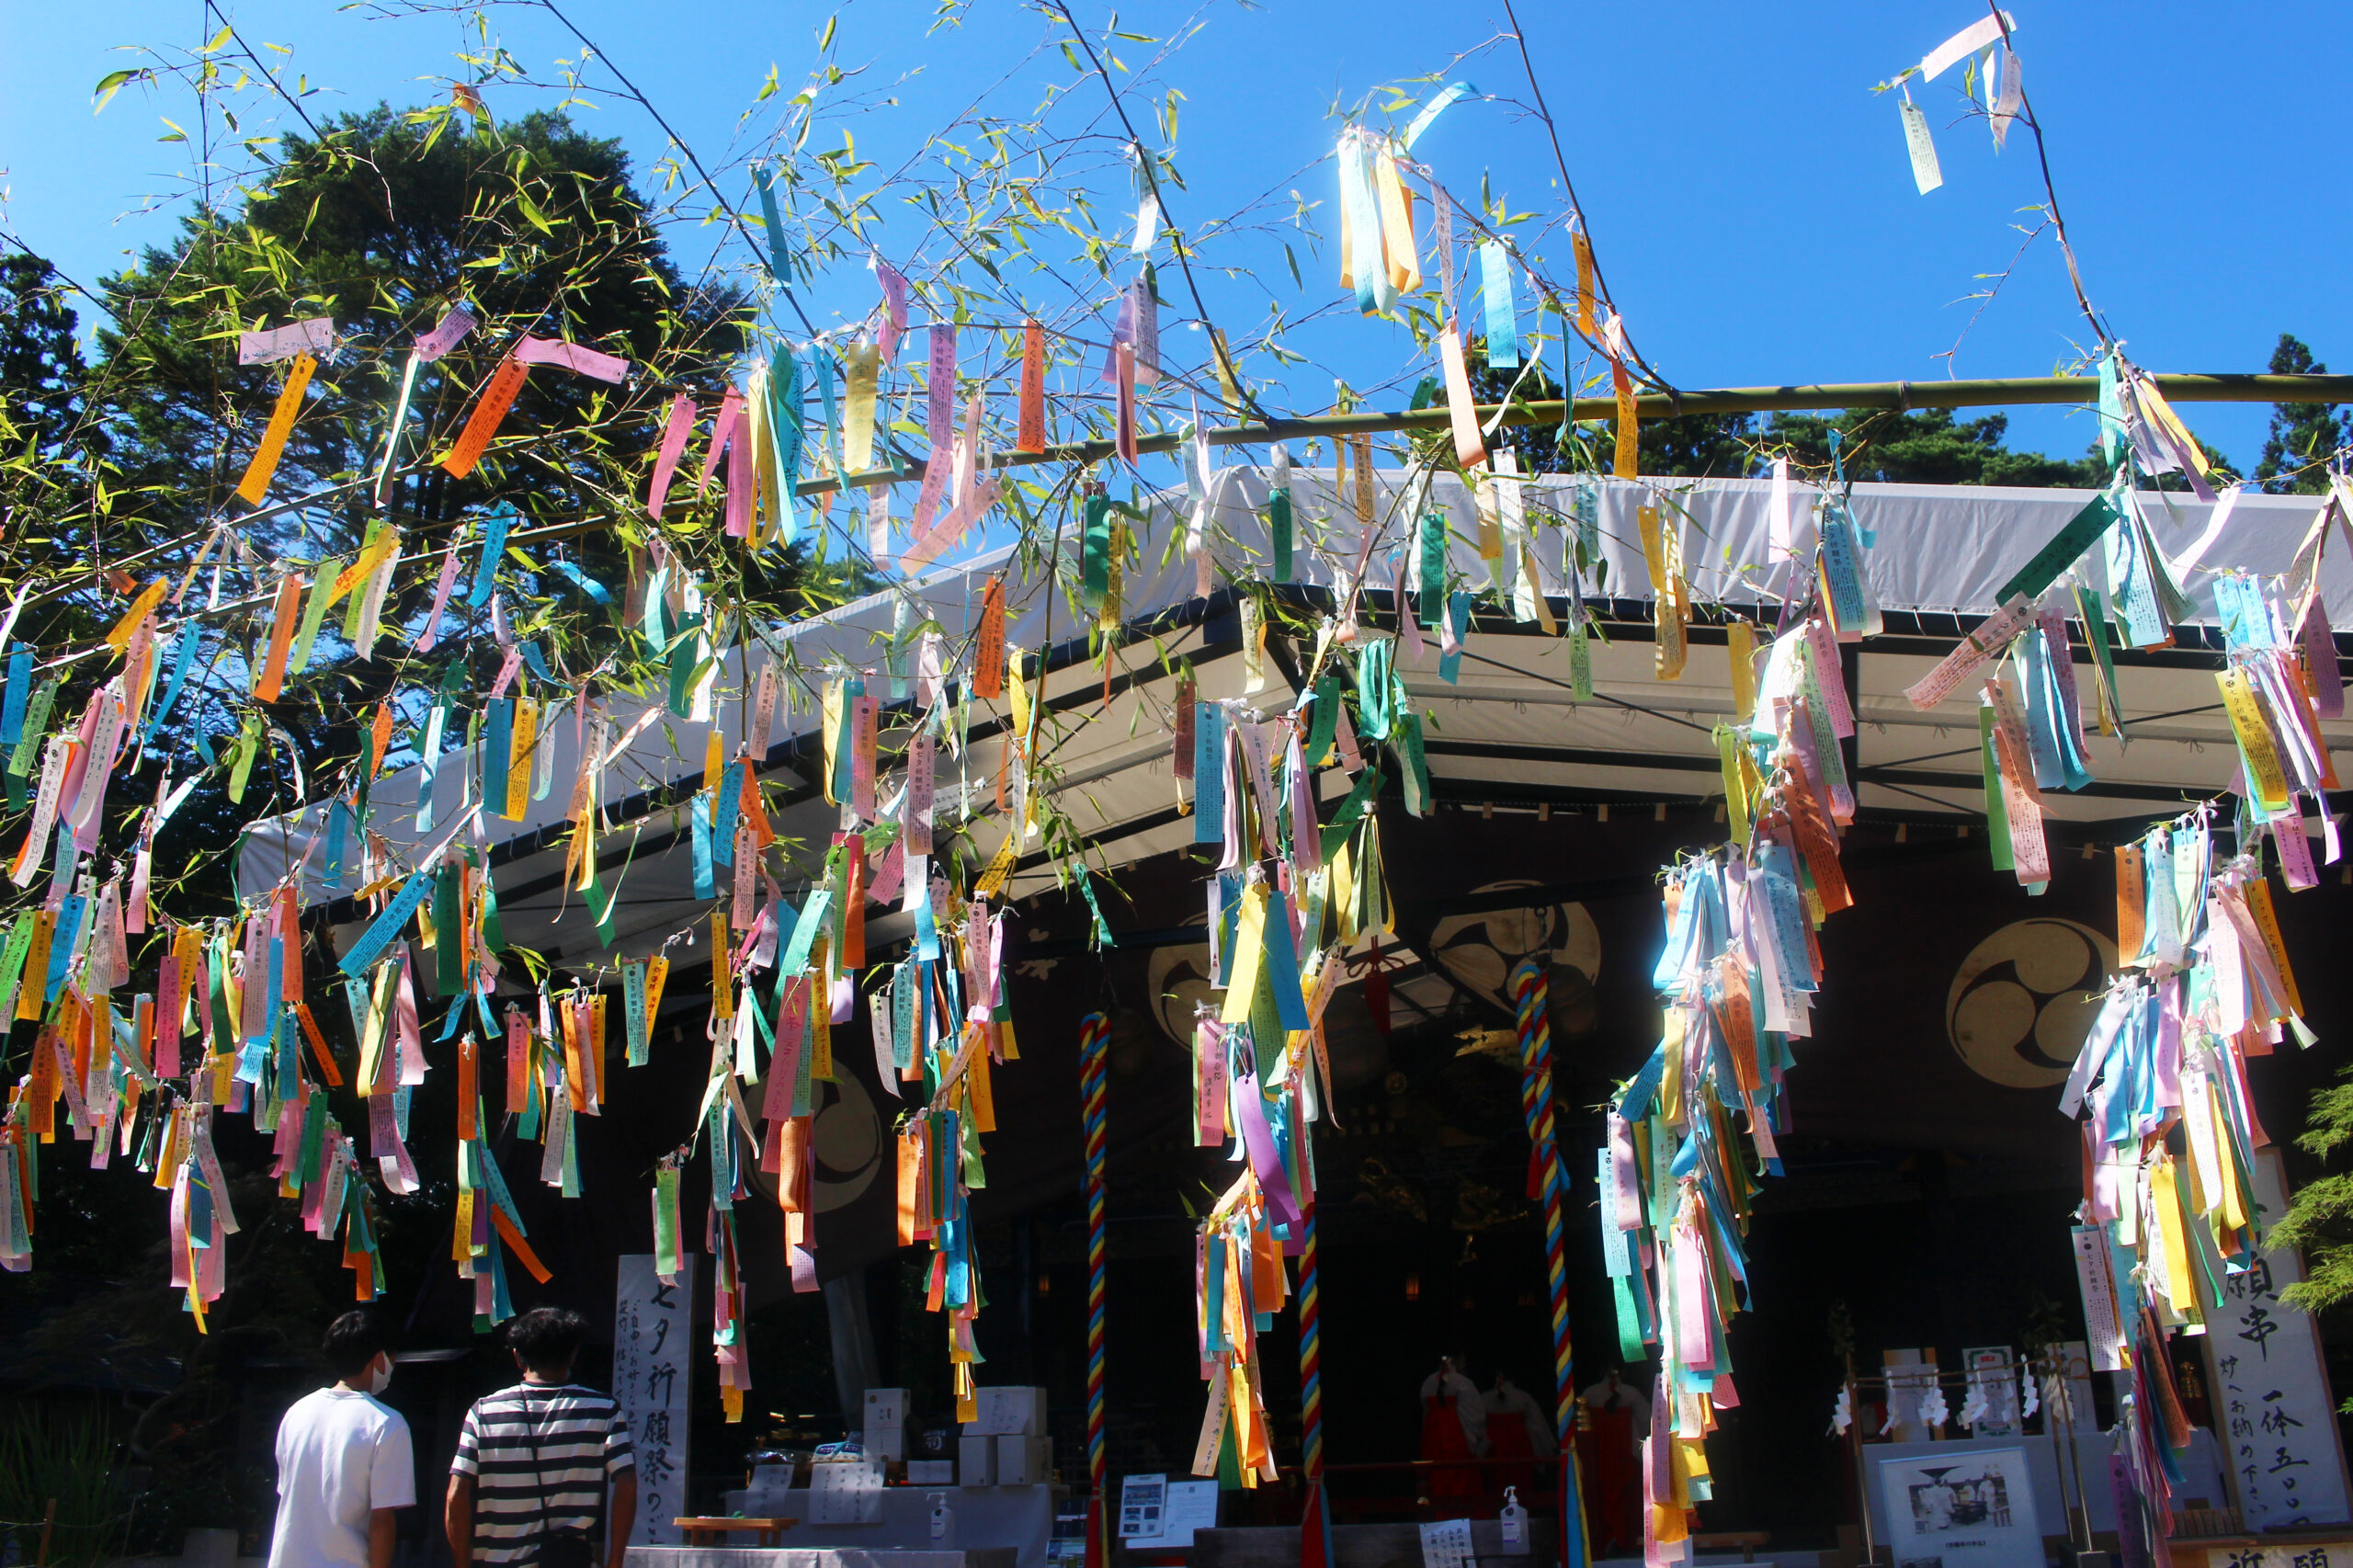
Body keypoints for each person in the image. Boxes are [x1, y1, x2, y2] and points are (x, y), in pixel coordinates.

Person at [447, 1307, 638, 1568]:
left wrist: (461, 1564)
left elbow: (456, 1494)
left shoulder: (483, 1413)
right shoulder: (603, 1410)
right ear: (573, 1355)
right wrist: (614, 1561)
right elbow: (626, 1482)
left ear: (518, 1357)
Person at [267, 1309, 416, 1568]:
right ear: (379, 1359)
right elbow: (382, 1519)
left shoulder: (296, 1413)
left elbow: (287, 1494)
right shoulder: (386, 1423)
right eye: (392, 1358)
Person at [1416, 1355, 1486, 1519]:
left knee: (1436, 1480)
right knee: (1460, 1479)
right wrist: (1476, 1440)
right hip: (1456, 1435)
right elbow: (1476, 1417)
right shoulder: (1462, 1383)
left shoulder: (1428, 1382)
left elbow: (1424, 1410)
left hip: (1432, 1436)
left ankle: (1439, 1518)